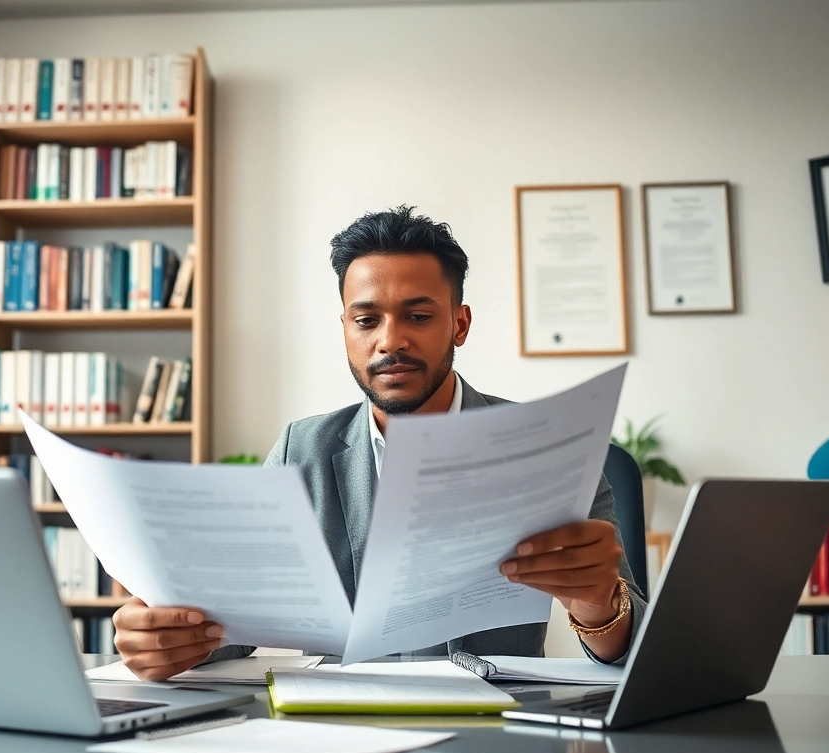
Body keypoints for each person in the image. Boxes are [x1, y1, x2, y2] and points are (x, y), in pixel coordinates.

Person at [113, 205, 646, 681]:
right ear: (345, 327)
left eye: (418, 316)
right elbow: (236, 622)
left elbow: (634, 650)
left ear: (459, 324)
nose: (390, 340)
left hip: (495, 732)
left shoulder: (549, 449)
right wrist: (170, 640)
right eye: (366, 320)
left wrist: (598, 602)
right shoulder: (303, 449)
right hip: (340, 733)